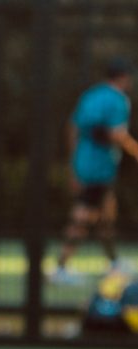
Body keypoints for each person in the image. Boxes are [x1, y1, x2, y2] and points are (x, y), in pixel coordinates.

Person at [53, 58, 138, 285]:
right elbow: (117, 135)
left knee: (107, 215)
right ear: (124, 78)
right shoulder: (118, 100)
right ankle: (60, 267)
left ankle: (113, 262)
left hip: (85, 164)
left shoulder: (90, 95)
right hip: (99, 168)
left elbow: (72, 128)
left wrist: (74, 163)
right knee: (83, 216)